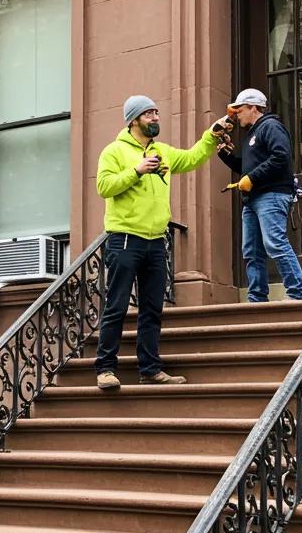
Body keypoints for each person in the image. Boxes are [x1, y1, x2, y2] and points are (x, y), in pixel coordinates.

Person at [94, 95, 230, 392]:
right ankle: (105, 368)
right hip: (125, 239)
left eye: (156, 112)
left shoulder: (163, 151)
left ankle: (150, 369)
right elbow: (104, 187)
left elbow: (193, 157)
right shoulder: (114, 152)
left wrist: (212, 134)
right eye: (149, 114)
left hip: (157, 242)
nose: (156, 117)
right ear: (133, 120)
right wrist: (136, 171)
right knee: (116, 306)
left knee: (153, 309)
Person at [218, 87, 302, 303]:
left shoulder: (270, 126)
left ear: (253, 107)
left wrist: (252, 179)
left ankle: (298, 295)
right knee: (252, 251)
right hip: (253, 200)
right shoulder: (252, 133)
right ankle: (257, 298)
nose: (237, 115)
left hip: (272, 195)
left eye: (239, 110)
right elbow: (246, 167)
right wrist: (225, 154)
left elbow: (281, 157)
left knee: (275, 244)